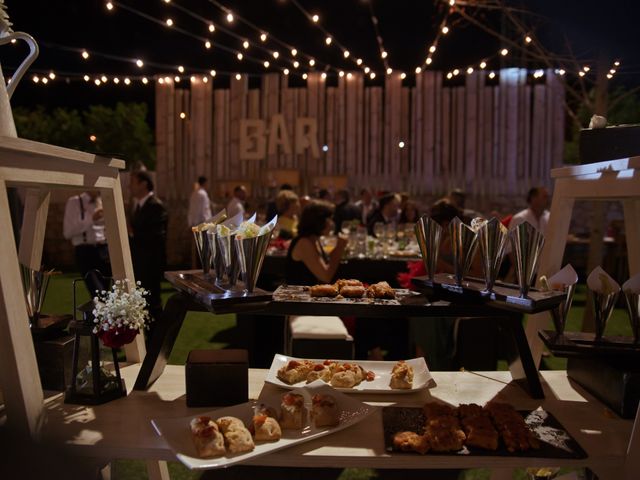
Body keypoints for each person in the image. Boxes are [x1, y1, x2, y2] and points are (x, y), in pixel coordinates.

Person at [130, 171, 168, 325]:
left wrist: (131, 232)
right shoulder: (139, 205)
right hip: (140, 263)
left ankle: (156, 342)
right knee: (143, 305)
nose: (129, 186)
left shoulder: (155, 205)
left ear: (144, 184)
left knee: (152, 305)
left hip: (150, 265)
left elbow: (157, 236)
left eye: (132, 182)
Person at [286, 201, 348, 285]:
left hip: (310, 295)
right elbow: (325, 277)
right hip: (298, 296)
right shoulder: (304, 243)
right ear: (318, 221)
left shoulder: (314, 239)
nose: (331, 223)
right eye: (329, 219)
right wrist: (339, 247)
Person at [63, 191, 111, 292]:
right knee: (97, 292)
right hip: (86, 251)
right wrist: (91, 218)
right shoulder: (74, 202)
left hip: (104, 250)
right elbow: (67, 232)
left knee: (106, 293)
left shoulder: (103, 201)